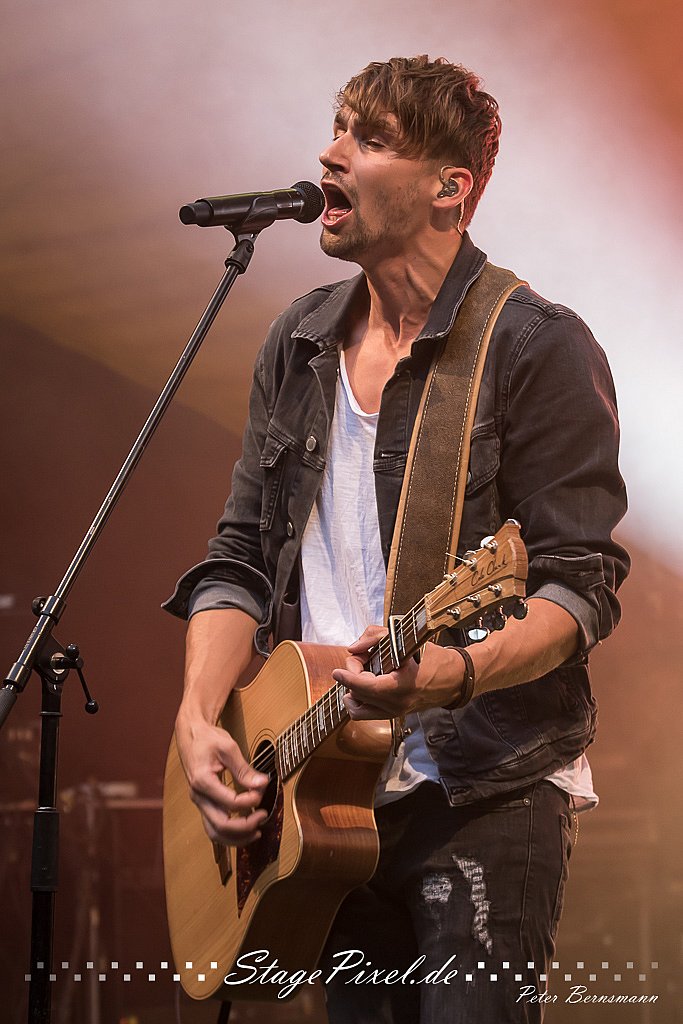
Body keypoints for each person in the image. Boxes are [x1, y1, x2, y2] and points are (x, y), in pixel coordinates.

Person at [164, 55, 629, 1023]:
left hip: (482, 786)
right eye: (337, 128)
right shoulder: (298, 341)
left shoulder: (534, 346)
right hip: (325, 794)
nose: (329, 154)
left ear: (448, 188)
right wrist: (199, 720)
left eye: (368, 139)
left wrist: (450, 675)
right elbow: (239, 556)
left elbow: (574, 587)